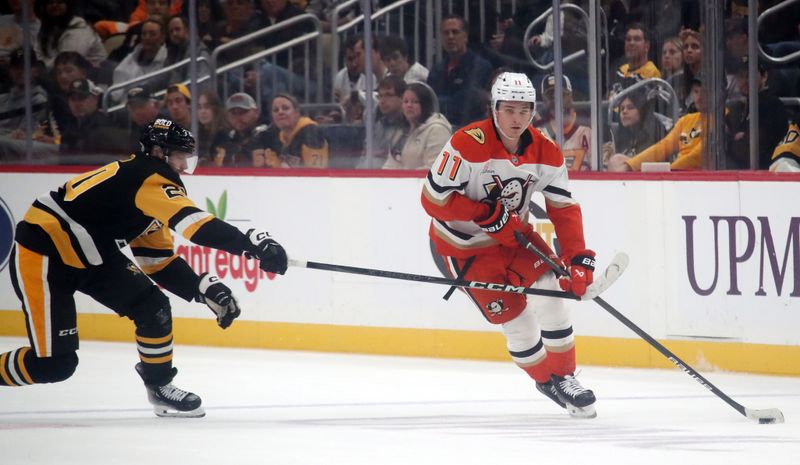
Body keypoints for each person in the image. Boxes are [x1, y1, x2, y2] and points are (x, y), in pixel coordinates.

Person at [0, 118, 289, 418]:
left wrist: (201, 290)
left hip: (91, 256)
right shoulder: (150, 177)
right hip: (45, 254)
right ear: (158, 152)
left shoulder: (146, 188)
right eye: (179, 156)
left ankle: (160, 387)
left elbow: (157, 261)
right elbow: (195, 225)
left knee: (153, 308)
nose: (183, 165)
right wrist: (252, 245)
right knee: (54, 365)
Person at [420, 71, 597, 418]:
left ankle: (566, 377)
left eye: (524, 110)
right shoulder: (466, 143)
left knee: (551, 296)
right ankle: (546, 380)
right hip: (463, 248)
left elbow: (563, 207)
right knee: (519, 324)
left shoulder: (546, 150)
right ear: (494, 108)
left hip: (514, 238)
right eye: (509, 109)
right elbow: (431, 200)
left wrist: (576, 256)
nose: (516, 118)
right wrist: (483, 213)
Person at [608, 76, 706, 171]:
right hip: (674, 174)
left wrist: (670, 170)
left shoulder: (717, 123)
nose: (699, 97)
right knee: (616, 161)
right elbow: (662, 147)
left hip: (693, 178)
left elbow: (697, 156)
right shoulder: (686, 120)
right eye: (696, 92)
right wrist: (630, 166)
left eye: (704, 92)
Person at [426, 15, 493, 128]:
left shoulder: (480, 66)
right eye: (446, 33)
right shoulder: (436, 69)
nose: (450, 37)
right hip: (438, 127)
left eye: (455, 32)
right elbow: (428, 102)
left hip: (470, 129)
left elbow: (465, 103)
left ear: (465, 36)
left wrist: (440, 102)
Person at [726, 57, 788, 169]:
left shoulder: (771, 105)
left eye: (749, 75)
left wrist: (735, 140)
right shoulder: (740, 107)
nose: (744, 81)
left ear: (764, 76)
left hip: (766, 173)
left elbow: (752, 150)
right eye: (741, 76)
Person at [58, 78, 128, 163]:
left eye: (82, 98)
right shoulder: (70, 126)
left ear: (95, 99)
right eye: (73, 99)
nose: (77, 104)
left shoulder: (105, 127)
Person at [383, 82, 451, 170]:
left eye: (414, 102)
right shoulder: (401, 132)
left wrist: (406, 179)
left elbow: (435, 168)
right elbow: (391, 163)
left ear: (425, 104)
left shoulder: (437, 130)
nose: (409, 105)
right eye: (405, 101)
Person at [251, 93, 329, 168]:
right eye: (275, 110)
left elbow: (315, 174)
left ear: (296, 113)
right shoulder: (274, 134)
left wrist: (278, 167)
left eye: (285, 108)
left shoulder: (311, 132)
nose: (280, 112)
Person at [535, 74, 592, 171]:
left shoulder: (589, 127)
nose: (556, 101)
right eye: (550, 96)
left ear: (571, 96)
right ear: (544, 101)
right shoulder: (536, 131)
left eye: (561, 95)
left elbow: (603, 168)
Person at [32, 0, 108, 69]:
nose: (54, 5)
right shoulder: (47, 29)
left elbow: (68, 60)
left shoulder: (79, 27)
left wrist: (41, 68)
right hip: (58, 74)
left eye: (59, 2)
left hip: (95, 75)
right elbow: (38, 54)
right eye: (50, 2)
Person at [111, 18, 169, 104]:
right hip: (123, 104)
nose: (147, 37)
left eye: (152, 34)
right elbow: (118, 82)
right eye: (144, 34)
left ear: (162, 37)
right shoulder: (131, 57)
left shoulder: (167, 59)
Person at [359, 75, 408, 168]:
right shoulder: (377, 125)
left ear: (402, 98)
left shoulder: (411, 125)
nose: (382, 101)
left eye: (388, 95)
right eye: (380, 96)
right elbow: (365, 156)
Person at [604, 89, 664, 163]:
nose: (624, 111)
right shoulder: (618, 135)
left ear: (642, 111)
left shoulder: (656, 134)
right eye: (622, 108)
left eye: (630, 107)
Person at [209, 92, 268, 167]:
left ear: (256, 112)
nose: (238, 117)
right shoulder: (221, 139)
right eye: (233, 113)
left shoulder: (267, 136)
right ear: (227, 116)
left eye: (243, 112)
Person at [610, 23, 661, 97]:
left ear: (647, 46)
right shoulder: (620, 70)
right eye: (628, 39)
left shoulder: (652, 74)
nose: (631, 43)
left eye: (636, 39)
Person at [196, 89, 230, 164]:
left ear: (216, 109)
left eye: (207, 107)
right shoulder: (196, 133)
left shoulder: (223, 135)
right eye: (199, 107)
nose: (202, 111)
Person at [124, 86, 163, 151]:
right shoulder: (131, 129)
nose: (137, 112)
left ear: (154, 105)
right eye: (133, 108)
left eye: (141, 106)